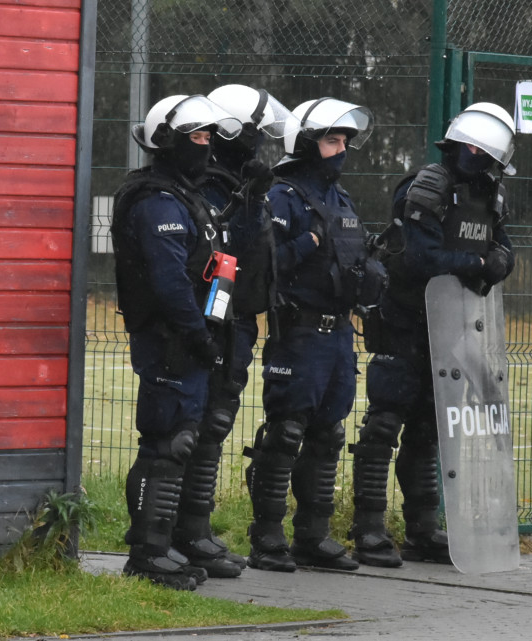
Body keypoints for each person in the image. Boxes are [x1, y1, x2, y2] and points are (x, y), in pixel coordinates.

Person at [349, 102, 517, 567]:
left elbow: (502, 244)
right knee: (384, 423)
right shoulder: (427, 187)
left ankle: (422, 530)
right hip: (405, 320)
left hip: (452, 328)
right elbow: (422, 258)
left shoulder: (488, 192)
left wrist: (499, 262)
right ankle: (368, 528)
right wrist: (480, 266)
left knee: (430, 430)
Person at [243, 97, 385, 572]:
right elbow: (264, 267)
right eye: (331, 140)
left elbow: (352, 258)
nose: (341, 149)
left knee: (329, 435)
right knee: (285, 433)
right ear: (306, 144)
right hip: (299, 334)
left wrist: (372, 275)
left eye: (344, 140)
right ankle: (266, 537)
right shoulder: (282, 196)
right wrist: (306, 243)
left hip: (339, 336)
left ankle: (314, 535)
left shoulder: (340, 200)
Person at [110, 94, 242, 590]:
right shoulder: (154, 201)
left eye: (211, 137)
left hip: (194, 337)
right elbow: (168, 284)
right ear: (167, 140)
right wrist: (198, 336)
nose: (206, 147)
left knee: (185, 441)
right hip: (169, 340)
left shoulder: (191, 197)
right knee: (167, 443)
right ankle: (147, 553)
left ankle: (171, 545)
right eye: (197, 136)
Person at [168, 84, 295, 579]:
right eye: (255, 137)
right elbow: (228, 248)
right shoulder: (209, 185)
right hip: (211, 321)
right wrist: (252, 197)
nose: (261, 148)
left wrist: (256, 193)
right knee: (193, 427)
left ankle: (196, 530)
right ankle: (180, 533)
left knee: (215, 424)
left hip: (238, 320)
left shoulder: (242, 180)